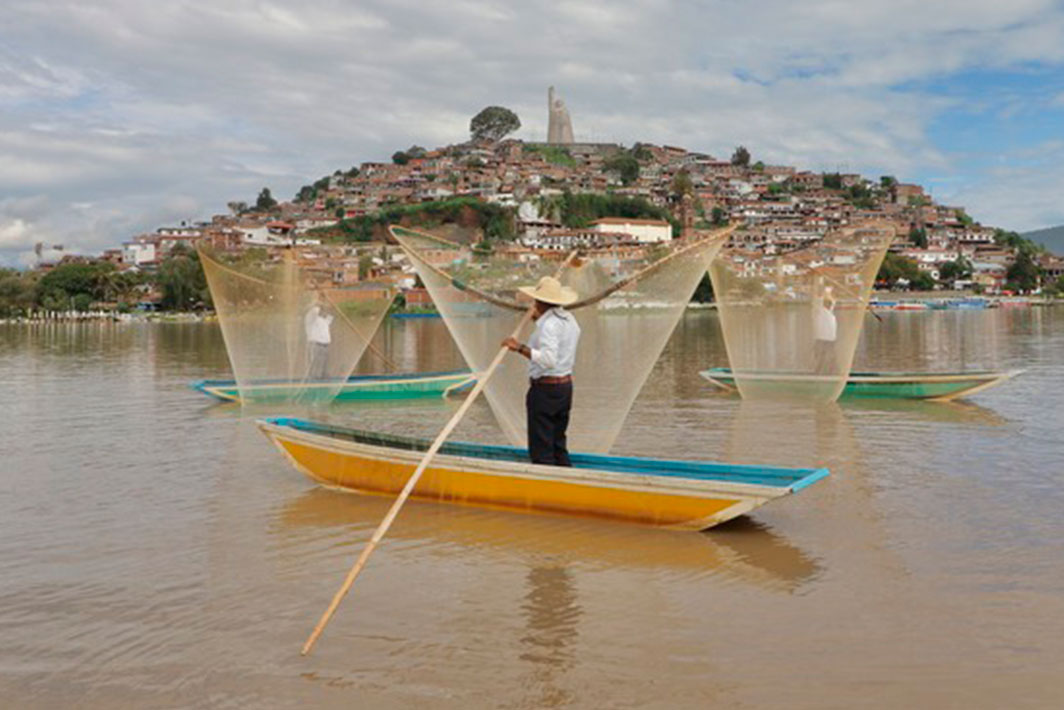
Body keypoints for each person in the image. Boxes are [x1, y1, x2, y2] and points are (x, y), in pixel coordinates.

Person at [502, 276, 581, 466]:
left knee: (541, 447)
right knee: (557, 442)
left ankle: (546, 482)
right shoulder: (569, 319)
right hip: (564, 388)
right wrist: (540, 321)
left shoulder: (549, 325)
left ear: (539, 302)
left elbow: (548, 360)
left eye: (535, 300)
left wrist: (519, 347)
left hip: (546, 390)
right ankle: (565, 478)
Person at [304, 300, 334, 380]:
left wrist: (329, 307)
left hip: (325, 346)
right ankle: (313, 379)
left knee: (324, 364)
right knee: (315, 363)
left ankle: (323, 377)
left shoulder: (322, 320)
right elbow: (315, 310)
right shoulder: (310, 317)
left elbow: (330, 315)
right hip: (316, 345)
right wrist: (320, 303)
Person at [812, 283, 837, 375]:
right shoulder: (820, 308)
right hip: (822, 336)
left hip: (828, 336)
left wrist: (828, 291)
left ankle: (831, 371)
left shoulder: (828, 310)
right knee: (820, 354)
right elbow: (820, 297)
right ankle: (818, 372)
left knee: (829, 354)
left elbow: (830, 299)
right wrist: (826, 290)